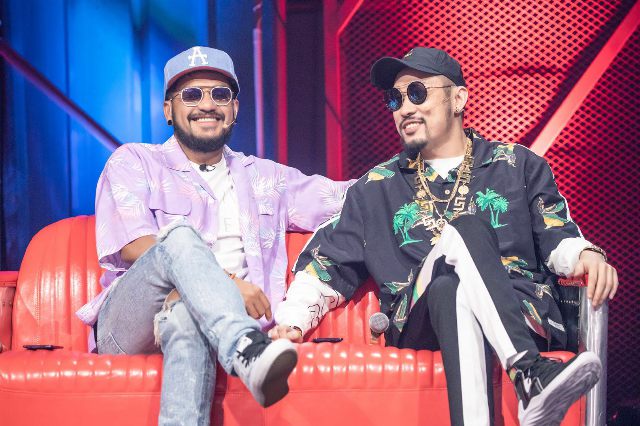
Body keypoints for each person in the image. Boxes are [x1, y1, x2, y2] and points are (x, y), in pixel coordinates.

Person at [270, 47, 619, 426]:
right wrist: (292, 321)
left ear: (459, 98)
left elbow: (557, 235)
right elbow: (324, 265)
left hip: (521, 311)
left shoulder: (517, 165)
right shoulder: (375, 188)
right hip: (420, 322)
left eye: (417, 93)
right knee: (463, 234)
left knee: (451, 289)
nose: (405, 108)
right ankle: (528, 371)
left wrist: (585, 254)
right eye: (395, 99)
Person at [75, 46, 352, 425]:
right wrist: (230, 285)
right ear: (168, 110)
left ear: (234, 108)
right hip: (130, 325)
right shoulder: (135, 161)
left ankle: (239, 345)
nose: (207, 104)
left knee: (186, 315)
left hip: (200, 322)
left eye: (220, 94)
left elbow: (350, 196)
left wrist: (424, 164)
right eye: (191, 94)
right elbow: (135, 245)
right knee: (178, 238)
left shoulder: (267, 178)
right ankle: (246, 348)